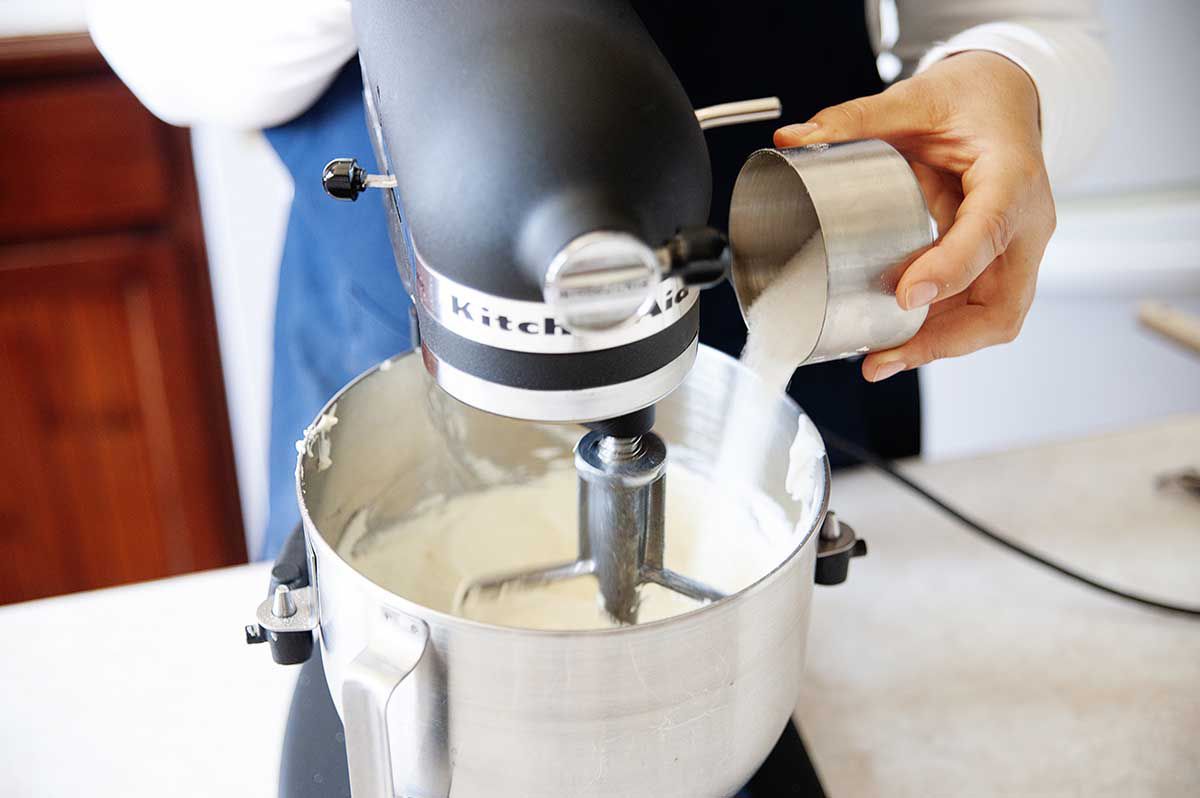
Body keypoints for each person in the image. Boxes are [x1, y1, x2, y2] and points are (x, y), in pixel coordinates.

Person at [88, 1, 1111, 560]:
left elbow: (1027, 17)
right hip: (389, 331)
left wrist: (1018, 76)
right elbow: (160, 43)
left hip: (784, 284)